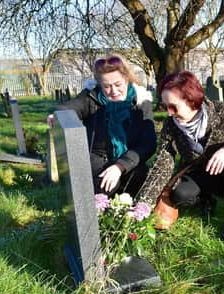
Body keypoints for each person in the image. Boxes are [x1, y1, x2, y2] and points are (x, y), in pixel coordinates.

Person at [136, 71, 224, 240]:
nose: (169, 113)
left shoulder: (223, 111)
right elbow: (161, 164)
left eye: (173, 106)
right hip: (201, 172)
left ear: (191, 100)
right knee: (179, 195)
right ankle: (206, 200)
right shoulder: (171, 125)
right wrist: (141, 206)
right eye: (165, 107)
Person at [50, 53, 156, 197]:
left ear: (126, 78)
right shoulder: (90, 98)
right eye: (107, 86)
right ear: (99, 84)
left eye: (118, 84)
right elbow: (66, 108)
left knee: (139, 185)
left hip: (131, 160)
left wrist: (120, 166)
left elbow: (148, 143)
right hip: (98, 160)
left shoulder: (142, 103)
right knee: (106, 189)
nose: (113, 91)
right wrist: (58, 116)